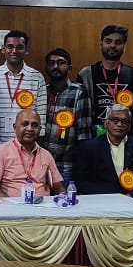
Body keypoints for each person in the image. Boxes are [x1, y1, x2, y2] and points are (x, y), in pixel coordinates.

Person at [71, 105, 133, 201]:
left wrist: (132, 195)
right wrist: (113, 195)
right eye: (115, 120)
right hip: (102, 201)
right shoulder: (90, 147)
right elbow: (80, 182)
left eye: (125, 121)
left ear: (129, 126)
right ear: (106, 123)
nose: (120, 124)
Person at [0, 30, 47, 144]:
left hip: (26, 144)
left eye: (19, 47)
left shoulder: (37, 77)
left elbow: (40, 114)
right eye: (10, 47)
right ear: (3, 49)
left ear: (26, 50)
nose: (14, 51)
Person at [78, 25, 133, 133]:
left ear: (124, 46)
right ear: (101, 44)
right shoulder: (86, 74)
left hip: (125, 136)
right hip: (93, 136)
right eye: (108, 41)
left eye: (118, 42)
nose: (113, 45)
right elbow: (80, 112)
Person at [40, 48, 92, 179]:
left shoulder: (79, 92)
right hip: (41, 166)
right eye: (51, 63)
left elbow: (84, 136)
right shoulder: (42, 91)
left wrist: (80, 167)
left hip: (66, 168)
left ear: (69, 67)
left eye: (60, 62)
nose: (55, 66)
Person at [0, 110, 63, 197]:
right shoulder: (1, 151)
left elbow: (58, 186)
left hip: (43, 203)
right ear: (15, 127)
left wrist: (64, 198)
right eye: (25, 124)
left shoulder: (46, 155)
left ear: (40, 130)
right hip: (11, 203)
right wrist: (8, 202)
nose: (30, 129)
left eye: (34, 125)